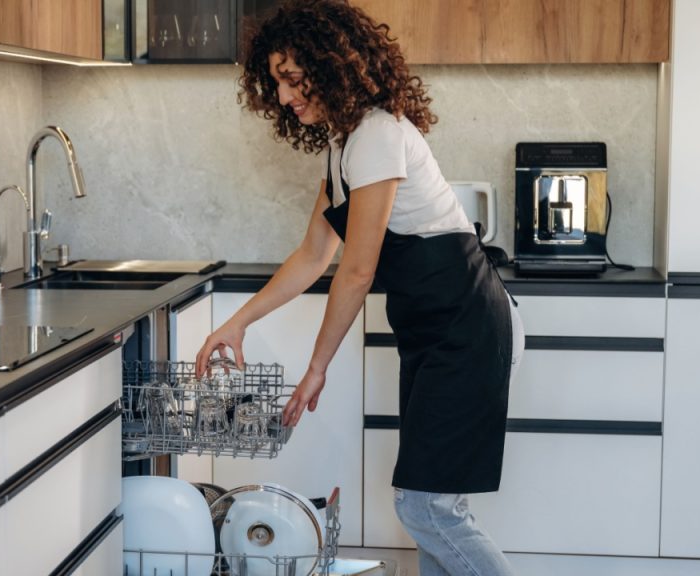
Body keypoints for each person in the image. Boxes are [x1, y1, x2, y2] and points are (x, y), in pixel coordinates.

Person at [195, 1, 524, 574]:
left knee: (427, 509)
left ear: (329, 66)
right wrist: (237, 323)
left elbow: (357, 269)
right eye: (276, 82)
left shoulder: (376, 134)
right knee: (432, 507)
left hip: (465, 330)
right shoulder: (341, 146)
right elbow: (312, 256)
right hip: (433, 332)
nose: (283, 96)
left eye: (291, 78)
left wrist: (317, 368)